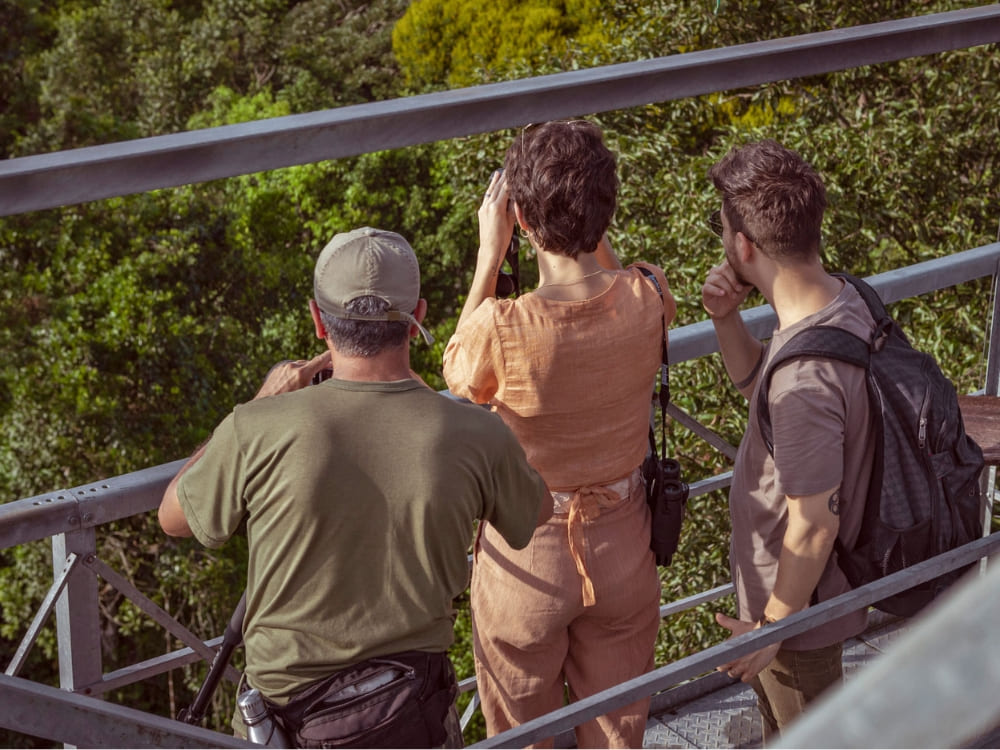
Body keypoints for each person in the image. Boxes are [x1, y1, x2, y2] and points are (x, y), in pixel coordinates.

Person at [157, 226, 552, 747]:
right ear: (419, 321)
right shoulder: (476, 433)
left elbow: (173, 518)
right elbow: (536, 513)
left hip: (283, 723)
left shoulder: (257, 428)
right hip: (414, 715)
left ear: (319, 321)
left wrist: (258, 405)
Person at [443, 120, 676, 748]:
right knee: (618, 735)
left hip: (526, 558)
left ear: (518, 218)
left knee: (523, 738)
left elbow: (457, 367)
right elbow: (615, 276)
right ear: (607, 212)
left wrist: (490, 256)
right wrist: (591, 229)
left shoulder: (504, 328)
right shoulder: (650, 295)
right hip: (625, 548)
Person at [701, 139, 876, 742]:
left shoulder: (804, 381)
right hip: (796, 601)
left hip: (795, 611)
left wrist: (770, 628)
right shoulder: (842, 301)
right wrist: (726, 319)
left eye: (726, 231)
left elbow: (813, 523)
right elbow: (766, 394)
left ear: (743, 245)